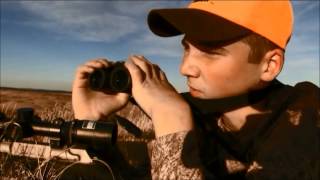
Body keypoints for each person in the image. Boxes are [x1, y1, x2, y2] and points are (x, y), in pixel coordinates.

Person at [72, 0, 319, 179]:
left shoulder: (308, 116)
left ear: (269, 65)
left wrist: (172, 119)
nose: (185, 68)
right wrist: (91, 126)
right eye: (187, 48)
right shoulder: (199, 111)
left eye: (211, 52)